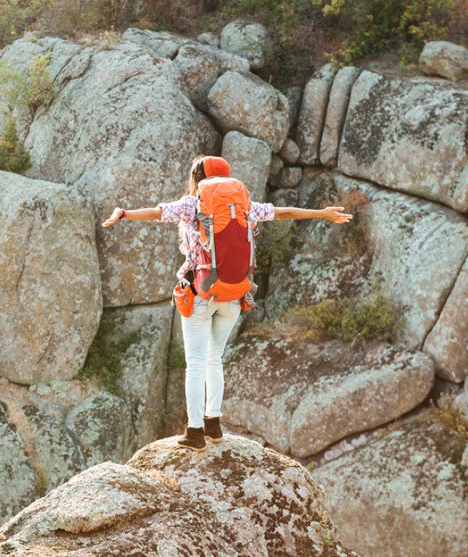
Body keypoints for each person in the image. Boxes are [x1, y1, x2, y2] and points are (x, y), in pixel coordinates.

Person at [101, 155, 352, 451]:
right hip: (234, 295)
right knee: (214, 359)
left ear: (198, 178)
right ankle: (214, 424)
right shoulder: (243, 204)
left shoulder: (194, 204)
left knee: (195, 363)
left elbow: (158, 212)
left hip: (201, 292)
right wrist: (321, 214)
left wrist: (125, 213)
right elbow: (282, 213)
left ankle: (194, 432)